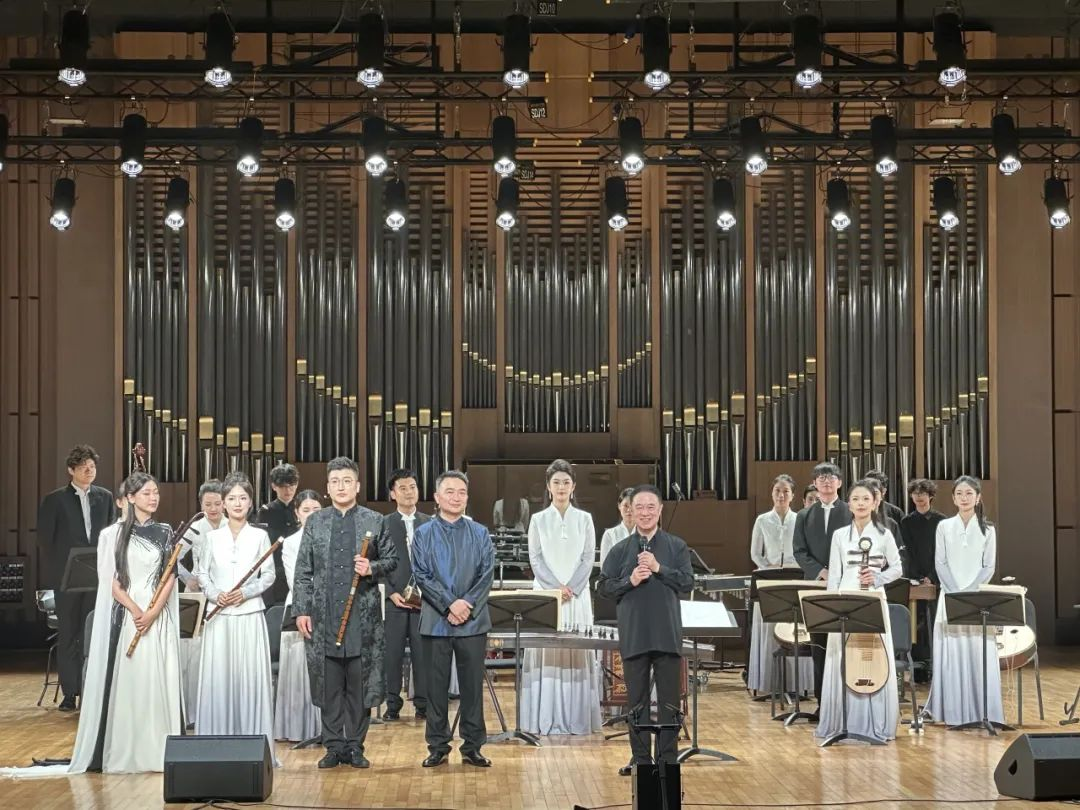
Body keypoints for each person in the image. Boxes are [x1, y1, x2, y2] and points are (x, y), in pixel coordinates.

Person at [293, 457, 395, 770]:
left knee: (359, 685)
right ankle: (333, 746)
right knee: (329, 685)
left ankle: (355, 746)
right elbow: (303, 570)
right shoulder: (316, 522)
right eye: (335, 481)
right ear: (328, 487)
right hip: (323, 616)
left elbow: (392, 561)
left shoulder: (375, 520)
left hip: (362, 618)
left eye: (347, 481)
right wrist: (301, 610)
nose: (341, 486)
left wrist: (371, 568)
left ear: (357, 485)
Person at [598, 484, 694, 776]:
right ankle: (641, 762)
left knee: (669, 705)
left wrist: (659, 568)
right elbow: (602, 586)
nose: (645, 512)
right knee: (636, 704)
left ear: (660, 510)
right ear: (630, 510)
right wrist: (629, 581)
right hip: (635, 634)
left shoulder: (676, 546)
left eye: (651, 507)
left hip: (667, 635)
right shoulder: (620, 549)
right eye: (639, 507)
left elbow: (687, 582)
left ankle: (667, 763)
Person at [412, 470, 495, 768]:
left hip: (473, 621)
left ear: (467, 497)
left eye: (461, 492)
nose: (456, 497)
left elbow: (486, 575)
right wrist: (449, 604)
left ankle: (473, 746)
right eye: (449, 491)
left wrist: (466, 604)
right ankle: (437, 746)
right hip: (436, 620)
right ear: (437, 497)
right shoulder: (423, 534)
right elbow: (422, 575)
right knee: (436, 689)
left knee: (472, 687)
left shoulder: (480, 533)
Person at [194, 473, 277, 756]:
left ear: (251, 502)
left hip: (249, 614)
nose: (237, 503)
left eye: (243, 498)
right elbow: (202, 573)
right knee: (219, 678)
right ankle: (215, 746)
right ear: (223, 503)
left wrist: (245, 592)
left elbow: (269, 575)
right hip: (218, 617)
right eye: (232, 498)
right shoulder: (211, 537)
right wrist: (215, 594)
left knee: (248, 678)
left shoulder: (260, 536)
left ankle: (252, 746)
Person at [815, 478, 902, 745]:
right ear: (849, 504)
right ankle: (842, 722)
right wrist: (830, 605)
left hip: (874, 598)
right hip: (845, 600)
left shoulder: (885, 534)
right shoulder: (840, 535)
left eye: (866, 499)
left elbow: (897, 568)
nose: (861, 503)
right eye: (855, 499)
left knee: (873, 657)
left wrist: (878, 577)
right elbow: (834, 574)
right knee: (843, 656)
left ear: (875, 503)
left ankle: (876, 722)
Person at [520, 460, 602, 735]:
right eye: (556, 482)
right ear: (548, 486)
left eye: (566, 482)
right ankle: (545, 717)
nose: (561, 487)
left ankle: (577, 717)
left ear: (573, 486)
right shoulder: (538, 519)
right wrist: (556, 588)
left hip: (577, 596)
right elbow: (535, 558)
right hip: (547, 595)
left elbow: (588, 558)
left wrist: (571, 588)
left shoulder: (585, 519)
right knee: (547, 649)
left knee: (576, 649)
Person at [37, 444, 117, 712]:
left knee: (92, 634)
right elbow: (45, 540)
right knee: (69, 634)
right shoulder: (55, 500)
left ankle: (93, 692)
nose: (89, 471)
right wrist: (61, 569)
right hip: (67, 579)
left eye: (92, 467)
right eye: (83, 467)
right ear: (71, 470)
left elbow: (112, 535)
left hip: (98, 577)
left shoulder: (105, 497)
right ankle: (70, 693)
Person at [924, 476, 1003, 727]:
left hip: (977, 600)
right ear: (953, 498)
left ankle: (982, 710)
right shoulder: (944, 527)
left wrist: (969, 593)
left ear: (978, 497)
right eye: (959, 493)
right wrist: (955, 592)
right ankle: (952, 711)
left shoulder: (988, 529)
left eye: (969, 493)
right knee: (952, 650)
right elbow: (940, 563)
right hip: (949, 596)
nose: (964, 497)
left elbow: (988, 566)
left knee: (977, 651)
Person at [792, 462, 852, 712]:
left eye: (831, 477)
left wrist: (839, 572)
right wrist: (821, 571)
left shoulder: (851, 511)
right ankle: (823, 703)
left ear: (840, 482)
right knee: (820, 644)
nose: (827, 481)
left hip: (847, 584)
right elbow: (799, 551)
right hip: (816, 585)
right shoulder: (804, 515)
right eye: (821, 478)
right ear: (815, 484)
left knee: (847, 642)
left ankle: (849, 700)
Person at [747, 474, 811, 696]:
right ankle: (770, 684)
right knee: (769, 630)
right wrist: (767, 566)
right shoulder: (762, 520)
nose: (781, 495)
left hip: (795, 579)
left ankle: (796, 685)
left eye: (786, 491)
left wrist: (795, 565)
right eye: (777, 491)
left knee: (793, 630)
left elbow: (805, 551)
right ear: (772, 494)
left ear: (793, 495)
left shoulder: (800, 519)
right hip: (770, 580)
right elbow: (755, 553)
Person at [381, 468, 431, 721]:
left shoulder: (431, 523)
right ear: (393, 494)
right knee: (392, 656)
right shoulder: (383, 524)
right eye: (402, 488)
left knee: (423, 655)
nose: (409, 492)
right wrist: (390, 593)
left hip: (425, 602)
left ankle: (423, 704)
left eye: (413, 487)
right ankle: (392, 705)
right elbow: (375, 563)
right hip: (395, 601)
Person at [274, 490, 323, 742]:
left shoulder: (332, 536)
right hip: (299, 606)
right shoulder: (291, 542)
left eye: (316, 510)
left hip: (326, 609)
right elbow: (297, 579)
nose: (311, 515)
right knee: (298, 671)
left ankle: (325, 728)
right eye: (306, 510)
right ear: (297, 513)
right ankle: (297, 729)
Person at [177, 479, 225, 713]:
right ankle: (194, 710)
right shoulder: (195, 528)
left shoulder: (232, 526)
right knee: (194, 652)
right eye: (208, 504)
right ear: (201, 504)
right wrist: (188, 579)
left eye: (217, 503)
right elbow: (173, 558)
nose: (213, 509)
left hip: (223, 594)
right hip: (197, 594)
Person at [900, 479, 946, 677]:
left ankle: (936, 666)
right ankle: (918, 670)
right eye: (915, 493)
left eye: (923, 493)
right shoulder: (906, 522)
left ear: (931, 496)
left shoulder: (941, 521)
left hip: (937, 578)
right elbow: (907, 553)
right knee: (916, 624)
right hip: (915, 579)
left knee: (935, 621)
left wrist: (932, 576)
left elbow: (942, 552)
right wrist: (918, 576)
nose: (919, 497)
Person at [257, 462, 300, 606]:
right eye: (283, 486)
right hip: (275, 568)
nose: (288, 490)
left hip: (297, 567)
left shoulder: (301, 508)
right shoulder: (266, 511)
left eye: (291, 485)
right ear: (274, 486)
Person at [599, 487, 635, 566]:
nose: (629, 510)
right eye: (626, 505)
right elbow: (605, 566)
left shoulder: (646, 534)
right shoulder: (609, 534)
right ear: (619, 506)